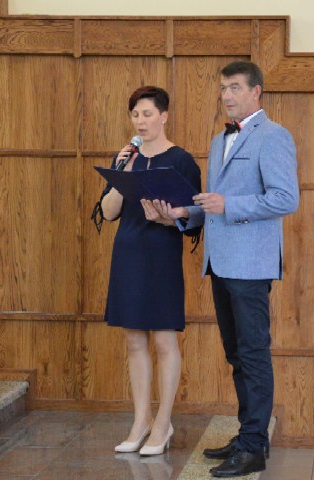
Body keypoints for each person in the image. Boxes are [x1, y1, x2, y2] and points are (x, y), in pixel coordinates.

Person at [153, 61, 299, 477]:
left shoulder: (274, 136)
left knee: (253, 354)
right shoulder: (220, 140)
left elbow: (286, 198)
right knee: (236, 355)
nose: (227, 95)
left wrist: (229, 204)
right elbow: (213, 204)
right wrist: (183, 214)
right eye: (223, 88)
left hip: (251, 265)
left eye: (235, 87)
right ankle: (248, 436)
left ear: (256, 92)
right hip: (219, 262)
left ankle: (253, 447)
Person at [100, 86, 202, 456]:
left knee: (163, 341)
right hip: (128, 253)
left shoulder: (181, 160)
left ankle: (163, 423)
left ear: (164, 116)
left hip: (160, 255)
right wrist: (122, 171)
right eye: (135, 115)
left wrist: (167, 218)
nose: (140, 121)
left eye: (147, 114)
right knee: (133, 340)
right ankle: (141, 420)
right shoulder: (126, 157)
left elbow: (193, 219)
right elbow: (108, 212)